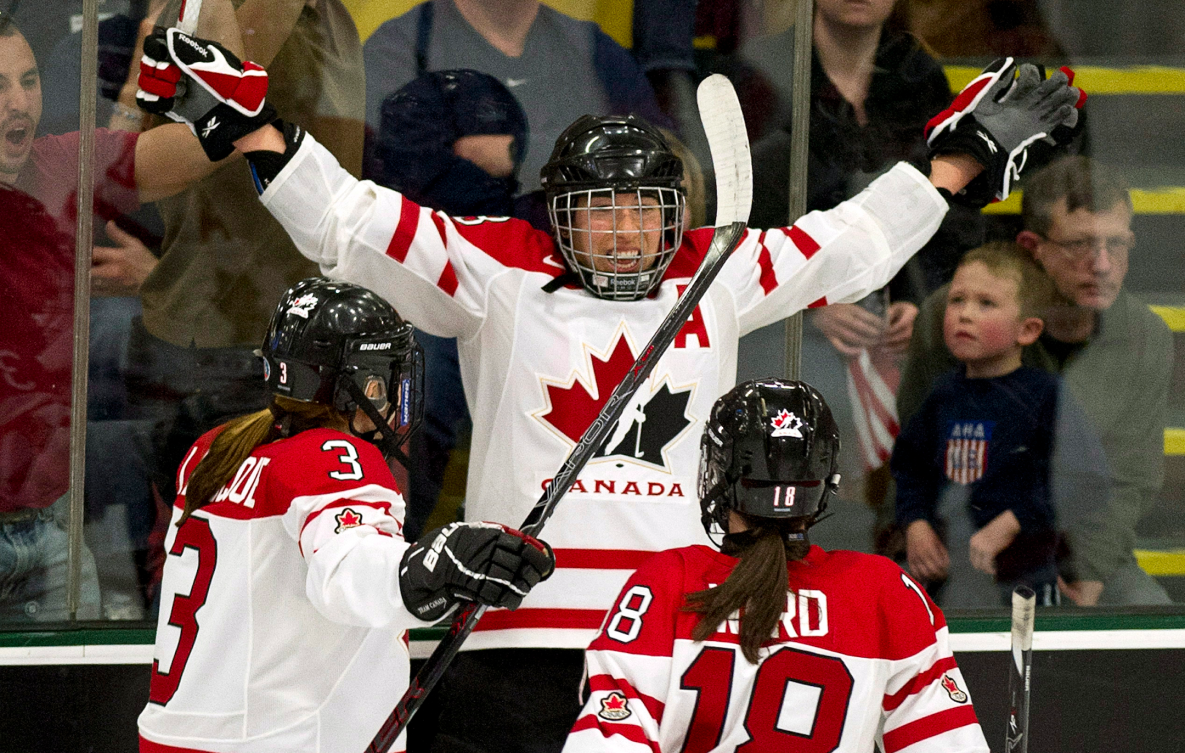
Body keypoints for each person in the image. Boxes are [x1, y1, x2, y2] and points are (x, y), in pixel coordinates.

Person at [136, 29, 1081, 752]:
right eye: (600, 211)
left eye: (642, 211)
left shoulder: (715, 273)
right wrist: (256, 132)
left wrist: (950, 167)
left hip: (665, 638)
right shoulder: (496, 266)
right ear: (558, 212)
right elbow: (349, 222)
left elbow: (847, 241)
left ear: (673, 213)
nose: (625, 233)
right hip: (513, 637)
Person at [137, 277, 555, 753]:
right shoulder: (332, 455)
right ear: (358, 384)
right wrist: (433, 568)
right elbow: (348, 571)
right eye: (384, 379)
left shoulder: (215, 449)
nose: (392, 394)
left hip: (180, 735)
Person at [564, 379, 990, 752]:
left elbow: (607, 741)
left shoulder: (666, 582)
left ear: (717, 474)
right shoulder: (884, 590)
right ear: (823, 484)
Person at [0, 17, 226, 622]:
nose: (18, 103)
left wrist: (228, 87)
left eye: (28, 80)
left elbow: (197, 147)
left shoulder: (64, 165)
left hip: (52, 528)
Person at [896, 156, 1174, 607]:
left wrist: (1088, 574)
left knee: (1152, 619)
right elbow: (918, 451)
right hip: (957, 543)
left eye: (1116, 245)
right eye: (1080, 244)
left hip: (1080, 546)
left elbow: (1127, 481)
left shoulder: (1146, 337)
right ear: (1031, 247)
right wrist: (918, 527)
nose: (1101, 264)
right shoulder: (958, 316)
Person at [892, 243, 1061, 607]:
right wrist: (916, 525)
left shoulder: (1047, 396)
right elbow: (910, 469)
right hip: (945, 577)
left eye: (986, 304)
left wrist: (1010, 524)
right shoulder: (941, 396)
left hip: (1024, 577)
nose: (965, 314)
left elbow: (1076, 482)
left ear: (1028, 330)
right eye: (957, 300)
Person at [361, 0, 669, 198]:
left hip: (576, 279)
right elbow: (398, 182)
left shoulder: (591, 51)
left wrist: (519, 154)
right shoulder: (399, 51)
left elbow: (664, 160)